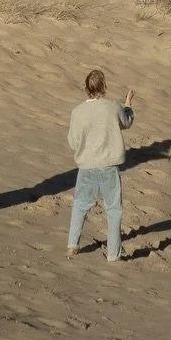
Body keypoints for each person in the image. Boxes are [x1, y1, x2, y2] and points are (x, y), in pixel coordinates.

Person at [66, 68, 135, 263]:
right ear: (104, 87)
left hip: (86, 167)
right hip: (109, 167)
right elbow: (127, 121)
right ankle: (113, 254)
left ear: (86, 88)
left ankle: (72, 245)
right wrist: (128, 104)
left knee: (80, 206)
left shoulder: (78, 112)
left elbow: (73, 142)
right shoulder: (113, 107)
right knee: (113, 211)